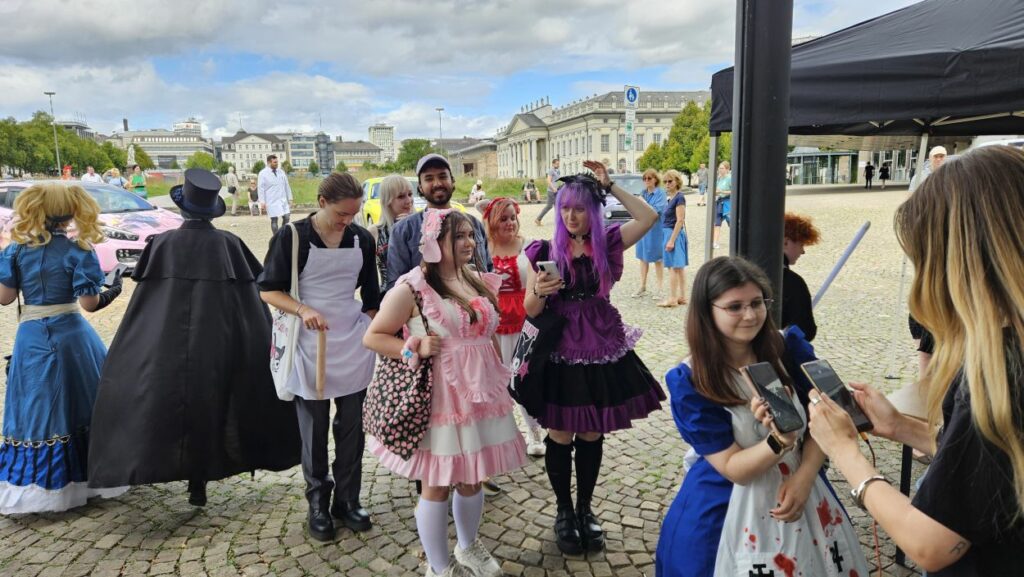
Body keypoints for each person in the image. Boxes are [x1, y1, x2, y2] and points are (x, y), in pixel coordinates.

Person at [808, 145, 1024, 576]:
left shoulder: (999, 370)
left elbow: (932, 543)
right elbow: (993, 467)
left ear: (961, 258)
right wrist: (899, 427)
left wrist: (845, 452)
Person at [87, 169, 301, 508]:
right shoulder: (229, 244)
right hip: (222, 343)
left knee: (171, 401)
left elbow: (146, 303)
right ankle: (199, 479)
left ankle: (186, 473)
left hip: (167, 346)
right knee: (213, 401)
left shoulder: (162, 244)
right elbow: (251, 301)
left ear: (182, 208)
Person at [656, 256, 869, 577]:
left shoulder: (788, 347)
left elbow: (826, 422)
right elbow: (733, 469)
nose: (750, 315)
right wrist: (778, 440)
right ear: (706, 311)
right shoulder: (691, 379)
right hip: (726, 505)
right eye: (735, 307)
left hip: (804, 490)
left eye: (757, 303)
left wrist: (804, 477)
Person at [364, 209, 528, 577]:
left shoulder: (477, 280)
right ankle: (439, 567)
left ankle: (468, 546)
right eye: (459, 237)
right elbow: (373, 337)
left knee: (472, 477)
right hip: (440, 397)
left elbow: (488, 335)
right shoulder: (412, 287)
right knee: (436, 483)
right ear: (434, 243)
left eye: (471, 235)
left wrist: (503, 376)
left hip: (481, 394)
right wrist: (415, 347)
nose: (470, 242)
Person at [523, 160, 664, 554]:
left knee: (590, 432)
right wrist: (540, 290)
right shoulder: (545, 250)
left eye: (580, 208)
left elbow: (649, 216)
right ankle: (564, 511)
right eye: (565, 208)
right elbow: (530, 310)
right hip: (560, 349)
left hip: (600, 344)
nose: (571, 216)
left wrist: (611, 185)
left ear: (593, 211)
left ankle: (585, 508)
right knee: (560, 432)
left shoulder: (609, 242)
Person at [258, 171, 380, 541]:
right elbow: (268, 290)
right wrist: (302, 309)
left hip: (351, 341)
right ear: (322, 202)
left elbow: (372, 296)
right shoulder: (293, 236)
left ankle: (348, 499)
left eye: (353, 214)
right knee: (313, 430)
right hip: (308, 342)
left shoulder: (361, 239)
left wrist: (369, 328)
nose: (347, 221)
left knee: (352, 428)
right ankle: (317, 503)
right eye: (341, 214)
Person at [0, 182, 127, 514]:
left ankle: (38, 486)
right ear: (70, 212)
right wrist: (114, 288)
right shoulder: (78, 250)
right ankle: (88, 475)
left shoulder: (15, 251)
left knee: (36, 405)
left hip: (31, 336)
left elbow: (5, 298)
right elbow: (89, 304)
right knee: (83, 402)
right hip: (72, 336)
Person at [481, 197, 547, 456]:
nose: (510, 223)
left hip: (524, 320)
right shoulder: (483, 249)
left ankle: (534, 432)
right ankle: (500, 437)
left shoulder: (529, 246)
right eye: (503, 219)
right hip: (495, 323)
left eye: (512, 218)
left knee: (524, 378)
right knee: (495, 380)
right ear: (492, 222)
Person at [385, 154, 490, 292]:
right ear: (420, 187)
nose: (437, 183)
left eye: (442, 176)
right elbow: (395, 284)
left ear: (452, 181)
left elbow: (488, 270)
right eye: (429, 178)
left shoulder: (474, 224)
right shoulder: (403, 230)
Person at [368, 174, 415, 290]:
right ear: (387, 201)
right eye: (401, 196)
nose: (408, 200)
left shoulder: (422, 226)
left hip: (421, 295)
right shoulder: (375, 232)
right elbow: (367, 275)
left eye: (410, 194)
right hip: (388, 294)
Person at [780, 212, 821, 342]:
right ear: (785, 242)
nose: (802, 251)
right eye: (801, 244)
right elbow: (806, 330)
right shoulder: (793, 282)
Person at [657, 169, 688, 308]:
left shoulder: (679, 198)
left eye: (670, 181)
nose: (667, 184)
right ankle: (682, 296)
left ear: (677, 182)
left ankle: (673, 298)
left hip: (672, 234)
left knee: (673, 267)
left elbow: (680, 220)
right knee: (679, 267)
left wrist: (671, 240)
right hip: (671, 233)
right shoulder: (671, 198)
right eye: (665, 182)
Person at [633, 169, 666, 298]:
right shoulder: (643, 193)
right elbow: (638, 210)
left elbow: (655, 212)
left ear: (655, 179)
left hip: (656, 230)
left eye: (649, 178)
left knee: (658, 259)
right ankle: (642, 286)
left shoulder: (660, 193)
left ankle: (660, 289)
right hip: (643, 230)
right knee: (643, 258)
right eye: (645, 178)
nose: (646, 180)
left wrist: (643, 203)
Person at [258, 154, 293, 233]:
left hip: (282, 199)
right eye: (275, 162)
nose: (277, 164)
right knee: (274, 220)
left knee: (287, 217)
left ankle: (282, 233)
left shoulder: (281, 172)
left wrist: (290, 198)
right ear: (269, 163)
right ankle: (276, 237)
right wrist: (262, 201)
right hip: (271, 200)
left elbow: (286, 185)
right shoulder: (263, 173)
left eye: (277, 162)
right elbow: (260, 188)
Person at [712, 161, 732, 249]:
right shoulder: (719, 178)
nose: (720, 170)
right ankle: (715, 242)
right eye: (719, 168)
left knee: (731, 223)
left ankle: (736, 241)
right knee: (717, 223)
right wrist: (716, 192)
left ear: (727, 169)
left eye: (722, 168)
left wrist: (722, 192)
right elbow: (716, 190)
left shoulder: (730, 178)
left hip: (728, 203)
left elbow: (734, 190)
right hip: (719, 202)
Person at [534, 158, 560, 226]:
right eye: (557, 164)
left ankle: (559, 221)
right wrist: (553, 188)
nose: (558, 165)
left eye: (558, 164)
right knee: (549, 206)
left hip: (556, 191)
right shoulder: (551, 171)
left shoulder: (557, 171)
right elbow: (548, 181)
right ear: (553, 164)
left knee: (557, 206)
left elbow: (556, 181)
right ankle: (538, 219)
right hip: (551, 191)